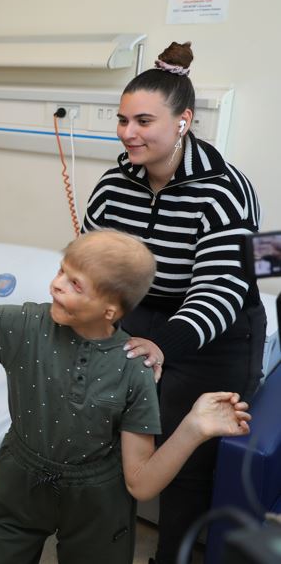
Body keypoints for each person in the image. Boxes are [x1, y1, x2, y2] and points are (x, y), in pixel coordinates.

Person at [0, 209, 252, 564]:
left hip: (98, 500)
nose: (55, 286)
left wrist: (193, 427)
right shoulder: (24, 326)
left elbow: (140, 483)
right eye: (61, 272)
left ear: (110, 309)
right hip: (19, 481)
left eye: (75, 284)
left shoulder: (133, 368)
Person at [81, 41, 265, 564]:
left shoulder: (223, 190)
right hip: (143, 315)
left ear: (183, 121)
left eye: (144, 121)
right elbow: (93, 265)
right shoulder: (114, 185)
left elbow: (220, 290)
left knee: (186, 458)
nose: (128, 133)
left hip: (218, 328)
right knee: (110, 436)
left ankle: (173, 557)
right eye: (122, 120)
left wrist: (161, 346)